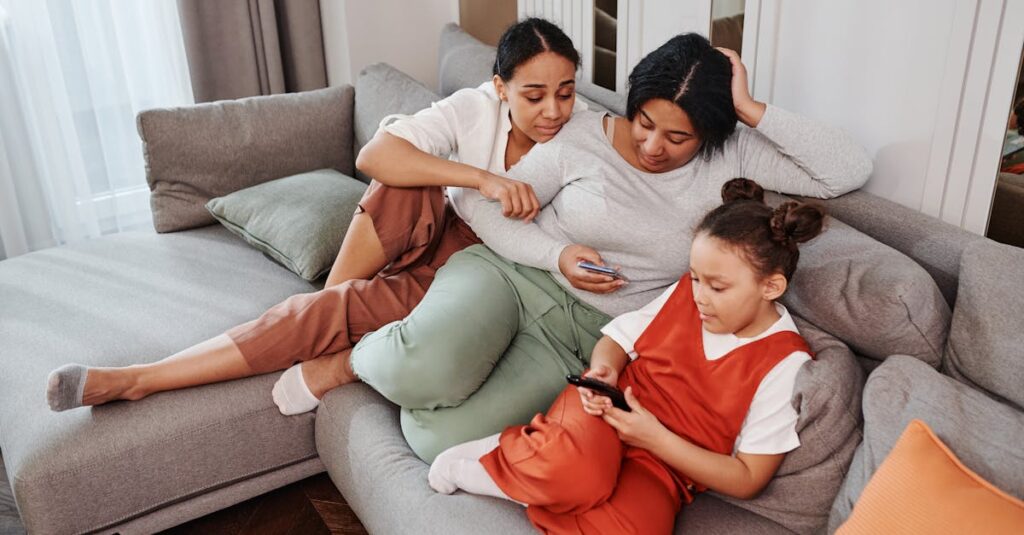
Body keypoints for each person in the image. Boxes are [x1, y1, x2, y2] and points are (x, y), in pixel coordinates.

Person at [344, 33, 872, 463]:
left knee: (437, 441)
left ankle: (421, 361)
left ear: (710, 133)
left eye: (678, 137)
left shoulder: (731, 155)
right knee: (415, 373)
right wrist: (558, 255)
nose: (652, 146)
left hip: (586, 334)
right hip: (511, 277)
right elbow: (485, 208)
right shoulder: (581, 135)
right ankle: (369, 356)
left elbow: (846, 170)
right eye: (644, 122)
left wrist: (749, 108)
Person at [45, 18, 586, 414]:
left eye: (564, 93)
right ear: (500, 87)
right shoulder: (475, 107)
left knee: (334, 309)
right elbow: (374, 156)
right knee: (401, 180)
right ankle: (324, 307)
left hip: (480, 269)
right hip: (443, 222)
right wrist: (483, 178)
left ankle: (141, 379)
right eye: (534, 96)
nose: (553, 111)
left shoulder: (584, 133)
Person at [426, 179, 824, 534]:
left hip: (664, 468)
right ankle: (493, 459)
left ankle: (537, 480)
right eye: (696, 277)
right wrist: (604, 372)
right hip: (605, 412)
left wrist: (656, 439)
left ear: (771, 286)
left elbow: (747, 477)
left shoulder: (786, 364)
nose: (699, 295)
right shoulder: (688, 293)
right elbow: (616, 342)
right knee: (576, 474)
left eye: (717, 287)